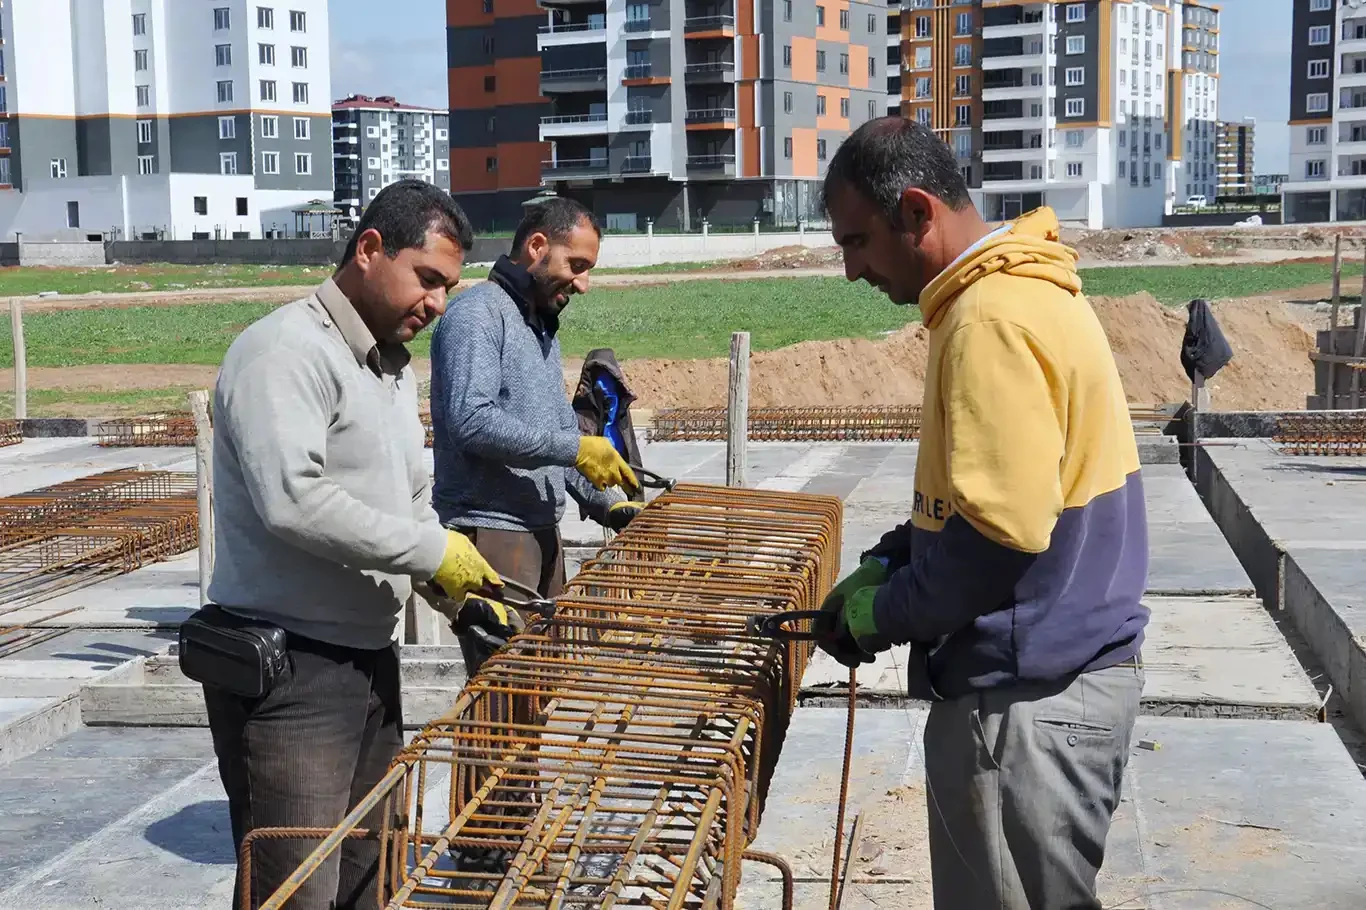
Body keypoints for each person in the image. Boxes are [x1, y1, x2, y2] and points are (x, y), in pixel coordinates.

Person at [816, 118, 1149, 910]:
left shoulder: (989, 322)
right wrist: (897, 555)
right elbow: (994, 500)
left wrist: (881, 615)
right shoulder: (1020, 293)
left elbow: (1000, 541)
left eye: (857, 242)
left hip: (1024, 706)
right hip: (1049, 685)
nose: (852, 269)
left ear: (918, 214)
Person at [203, 179, 503, 910]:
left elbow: (402, 493)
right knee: (297, 888)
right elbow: (292, 501)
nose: (436, 304)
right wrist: (427, 551)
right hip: (294, 673)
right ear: (370, 249)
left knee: (371, 875)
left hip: (367, 661)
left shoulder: (388, 365)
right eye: (426, 278)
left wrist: (444, 575)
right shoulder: (285, 351)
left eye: (448, 287)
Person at [430, 195, 639, 673]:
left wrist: (607, 503)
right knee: (503, 705)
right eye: (577, 264)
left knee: (536, 697)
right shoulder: (477, 316)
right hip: (492, 537)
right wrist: (574, 447)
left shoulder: (540, 327)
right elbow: (472, 420)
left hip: (541, 537)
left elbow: (559, 436)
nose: (583, 284)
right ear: (538, 246)